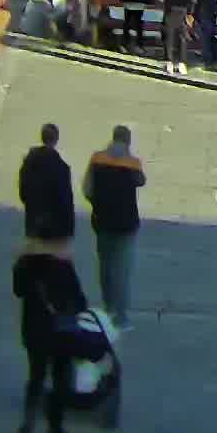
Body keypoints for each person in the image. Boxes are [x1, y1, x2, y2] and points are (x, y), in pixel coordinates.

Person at [11, 246, 88, 433]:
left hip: (35, 330)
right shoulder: (64, 265)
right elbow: (80, 301)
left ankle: (28, 422)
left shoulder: (27, 265)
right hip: (61, 331)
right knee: (60, 379)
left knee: (36, 375)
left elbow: (18, 291)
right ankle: (55, 428)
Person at [84, 125, 144, 330]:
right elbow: (141, 181)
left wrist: (98, 204)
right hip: (126, 225)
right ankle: (120, 317)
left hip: (102, 222)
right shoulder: (133, 164)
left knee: (106, 268)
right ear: (127, 142)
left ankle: (108, 309)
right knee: (123, 271)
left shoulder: (96, 159)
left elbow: (87, 189)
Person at [18, 123, 75, 248]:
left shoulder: (29, 162)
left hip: (33, 220)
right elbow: (66, 200)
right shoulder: (61, 167)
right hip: (54, 226)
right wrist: (69, 228)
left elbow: (23, 192)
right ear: (56, 139)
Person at [154, 0, 194, 78]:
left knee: (169, 36)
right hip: (182, 10)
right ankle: (181, 63)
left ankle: (169, 62)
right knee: (182, 37)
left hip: (170, 8)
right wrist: (190, 12)